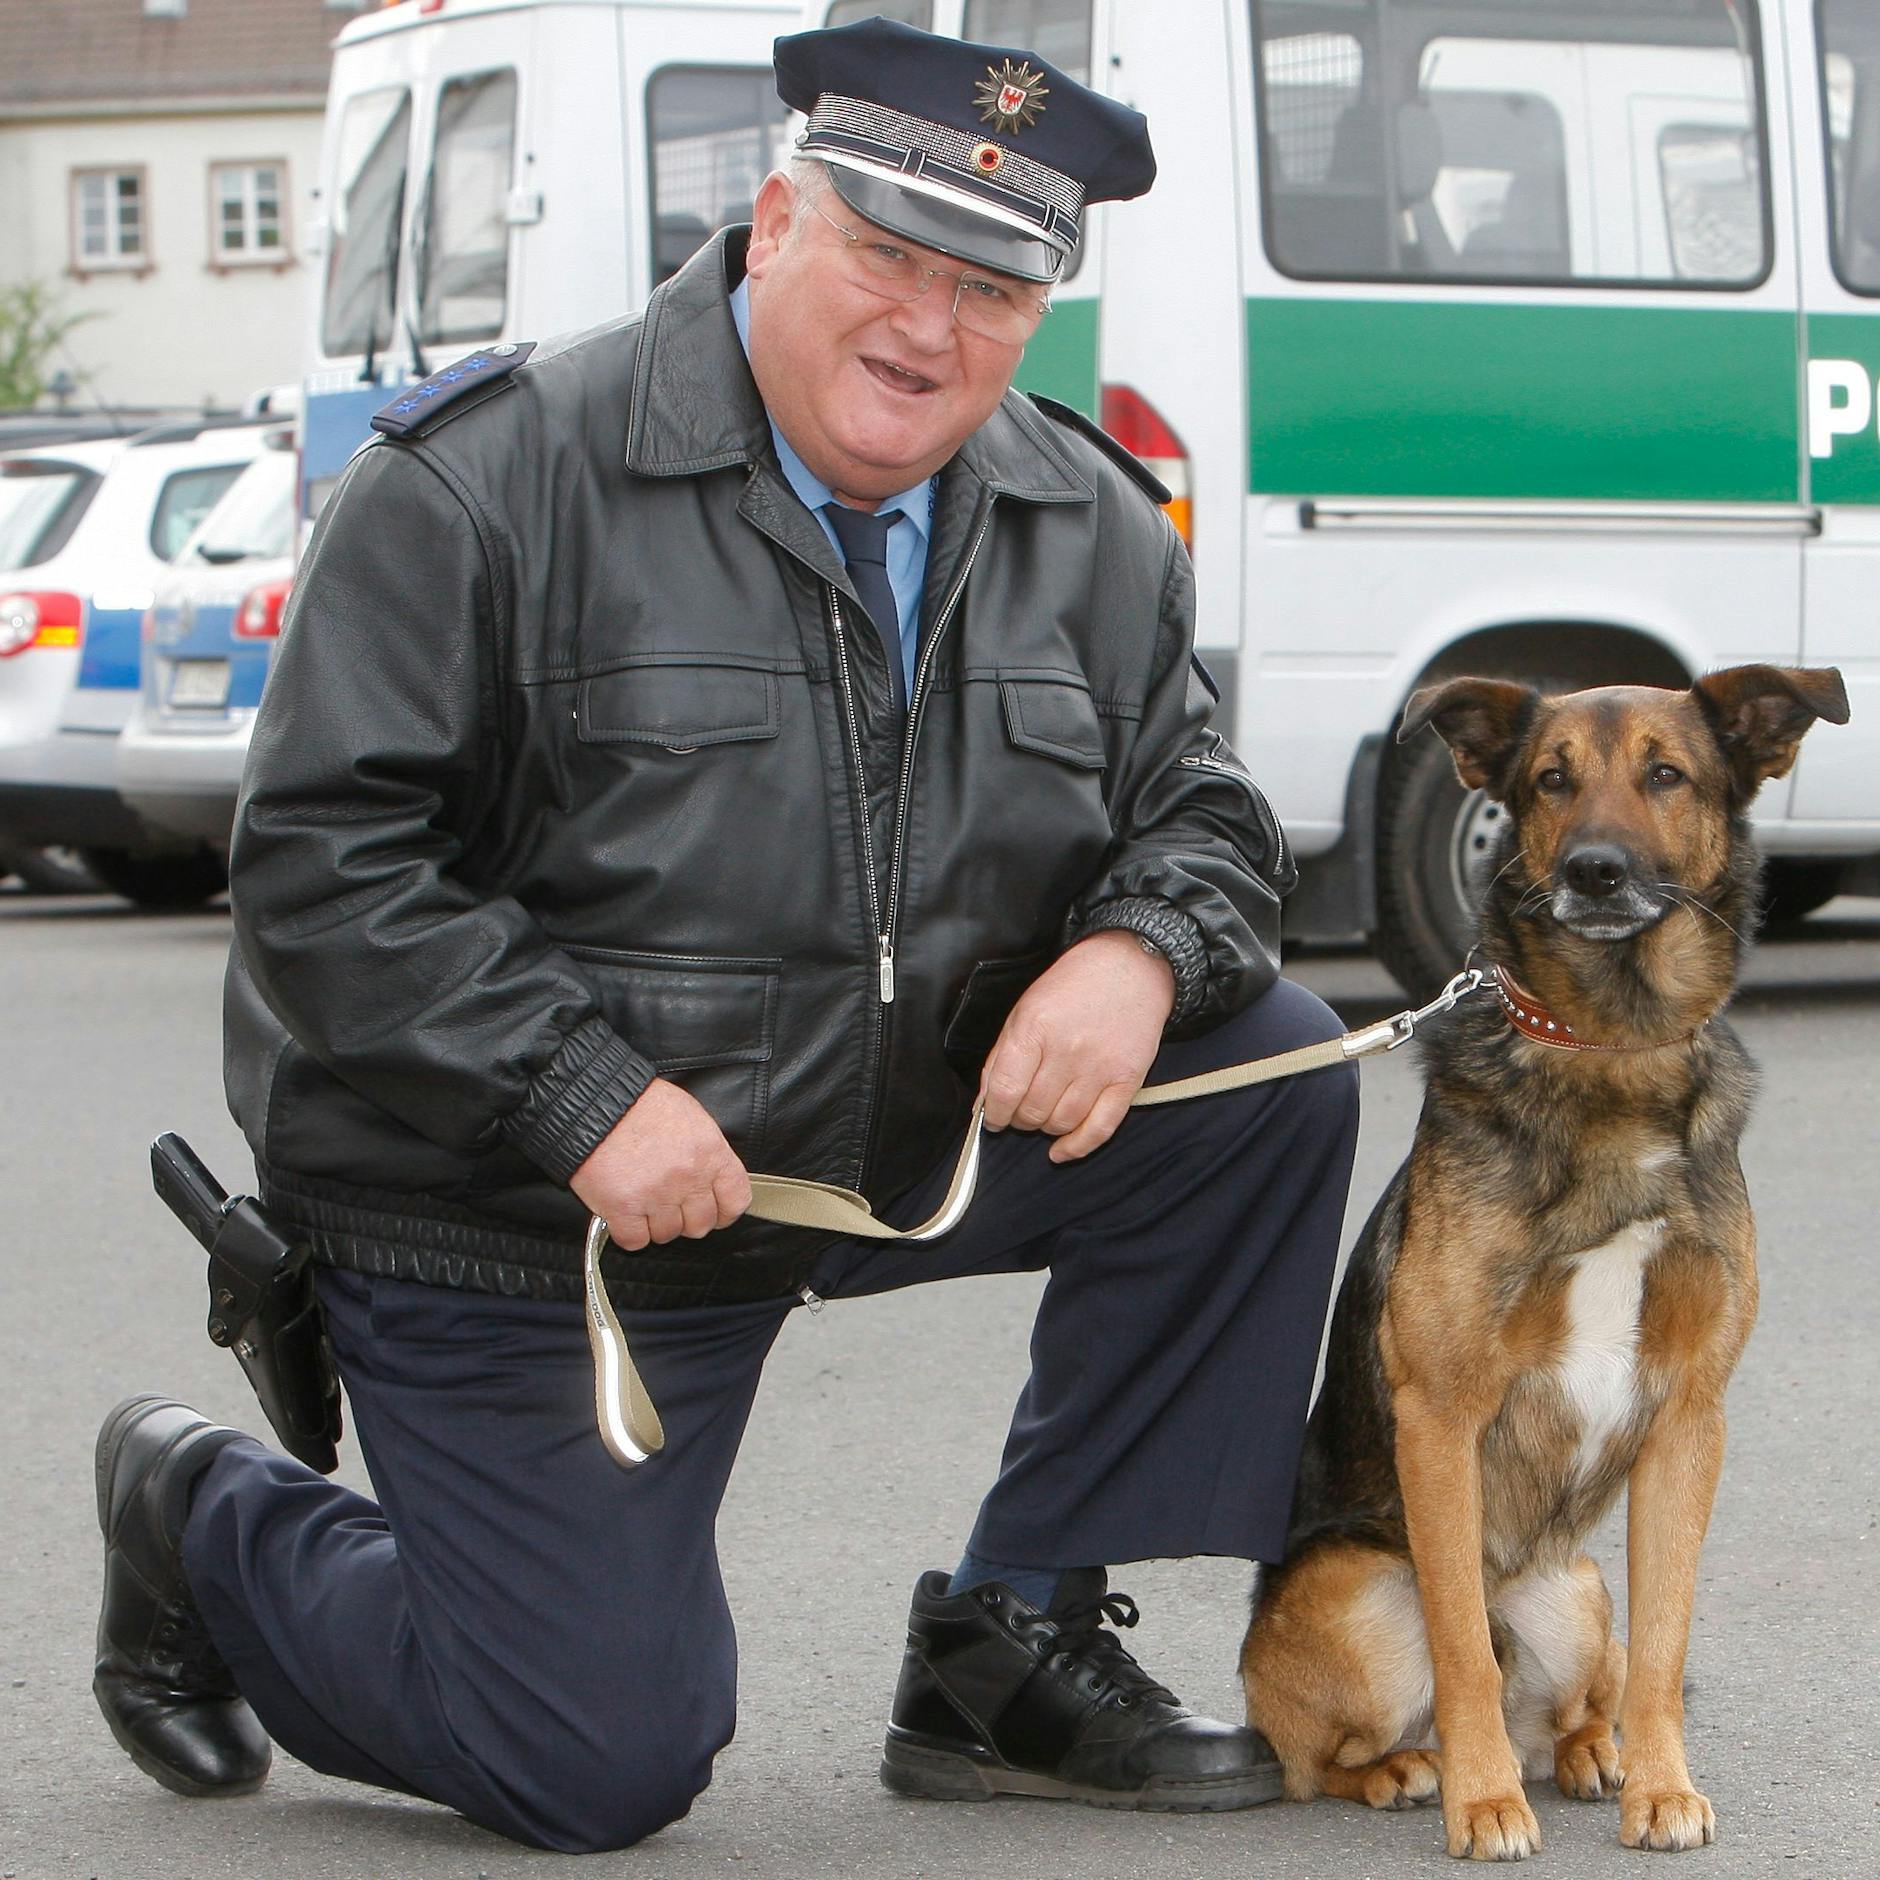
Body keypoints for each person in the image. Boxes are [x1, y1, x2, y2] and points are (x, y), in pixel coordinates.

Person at [92, 18, 1359, 1854]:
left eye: (996, 284)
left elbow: (1209, 808)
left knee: (1266, 1075)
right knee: (593, 1763)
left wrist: (1140, 949)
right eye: (891, 254)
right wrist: (579, 1092)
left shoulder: (1086, 519)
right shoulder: (483, 479)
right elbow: (322, 866)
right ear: (775, 222)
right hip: (528, 1215)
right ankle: (205, 1520)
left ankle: (1014, 1632)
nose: (933, 327)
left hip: (872, 1152)